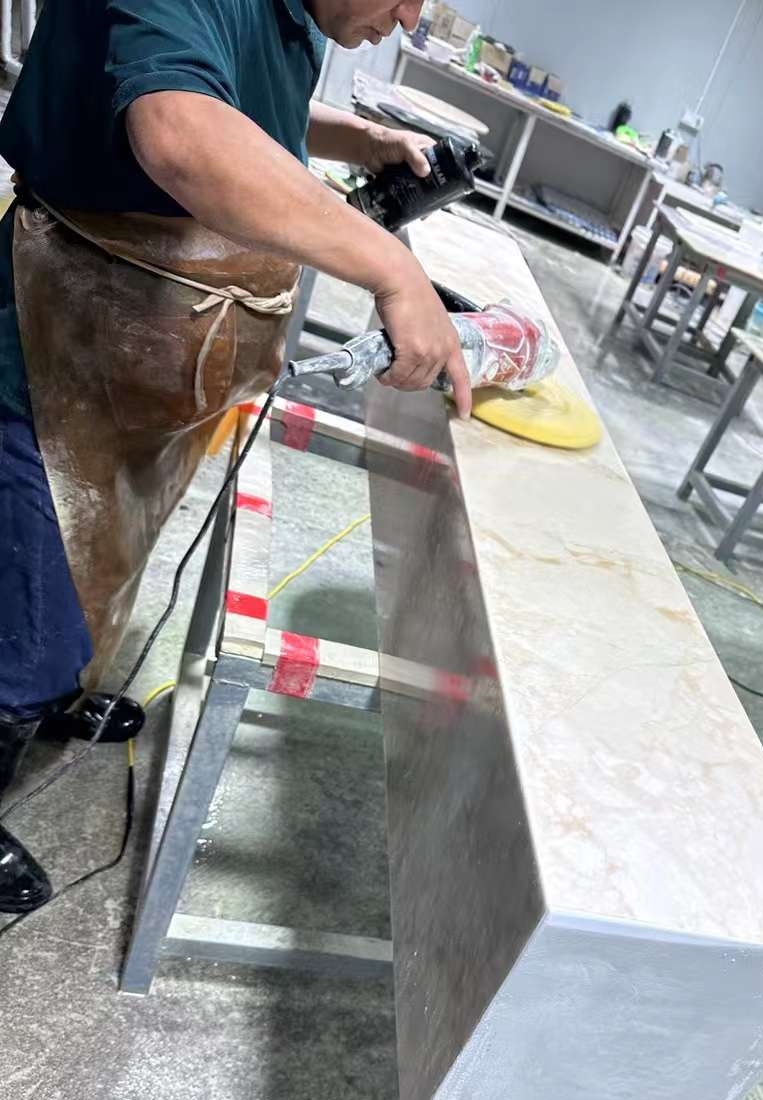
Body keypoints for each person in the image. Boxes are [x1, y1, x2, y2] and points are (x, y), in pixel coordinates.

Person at [0, 0, 472, 915]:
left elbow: (229, 91)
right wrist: (390, 267)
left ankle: (55, 691)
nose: (410, 17)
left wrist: (355, 138)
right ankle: (30, 687)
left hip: (141, 341)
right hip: (58, 328)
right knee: (34, 576)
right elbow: (181, 130)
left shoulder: (296, 12)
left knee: (107, 548)